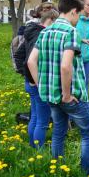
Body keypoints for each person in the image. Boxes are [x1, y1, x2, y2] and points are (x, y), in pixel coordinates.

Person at [27, 0, 89, 177]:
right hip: (69, 96)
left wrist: (42, 86)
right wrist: (66, 95)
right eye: (78, 14)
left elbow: (31, 61)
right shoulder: (71, 32)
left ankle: (58, 168)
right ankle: (87, 174)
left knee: (59, 131)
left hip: (50, 95)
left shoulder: (45, 31)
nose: (78, 18)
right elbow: (66, 66)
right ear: (73, 11)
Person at [21, 9, 58, 148]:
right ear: (51, 21)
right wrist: (39, 84)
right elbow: (30, 61)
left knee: (35, 116)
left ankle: (33, 145)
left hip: (29, 82)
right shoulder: (41, 35)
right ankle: (38, 150)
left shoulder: (31, 31)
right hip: (37, 83)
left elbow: (21, 56)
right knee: (42, 121)